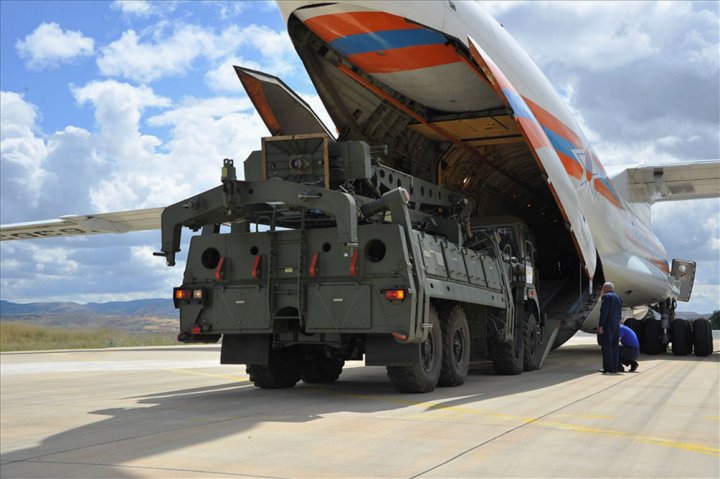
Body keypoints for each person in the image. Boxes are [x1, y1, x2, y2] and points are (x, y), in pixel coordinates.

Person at [598, 282, 622, 373]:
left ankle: (608, 368)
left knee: (607, 347)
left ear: (605, 288)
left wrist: (601, 325)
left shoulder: (606, 297)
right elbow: (619, 313)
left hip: (608, 325)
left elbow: (604, 312)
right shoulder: (618, 297)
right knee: (615, 347)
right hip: (616, 325)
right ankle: (615, 368)